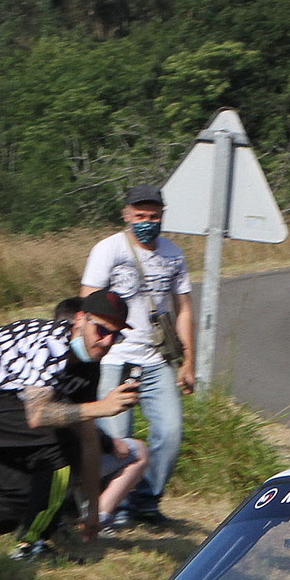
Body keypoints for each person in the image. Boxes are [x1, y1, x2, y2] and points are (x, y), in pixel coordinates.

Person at [0, 293, 139, 549]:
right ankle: (34, 544)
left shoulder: (89, 364)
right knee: (59, 445)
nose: (107, 341)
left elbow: (88, 438)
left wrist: (93, 510)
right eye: (101, 330)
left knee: (22, 499)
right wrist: (102, 407)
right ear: (80, 320)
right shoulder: (51, 344)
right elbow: (38, 416)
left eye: (116, 335)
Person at [80, 186, 195, 529]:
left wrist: (188, 361)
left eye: (153, 216)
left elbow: (183, 308)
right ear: (127, 215)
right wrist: (91, 354)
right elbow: (88, 302)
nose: (147, 222)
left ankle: (146, 501)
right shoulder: (108, 250)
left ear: (162, 216)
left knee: (171, 432)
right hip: (115, 358)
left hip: (156, 359)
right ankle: (109, 509)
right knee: (117, 442)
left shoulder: (173, 254)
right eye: (140, 216)